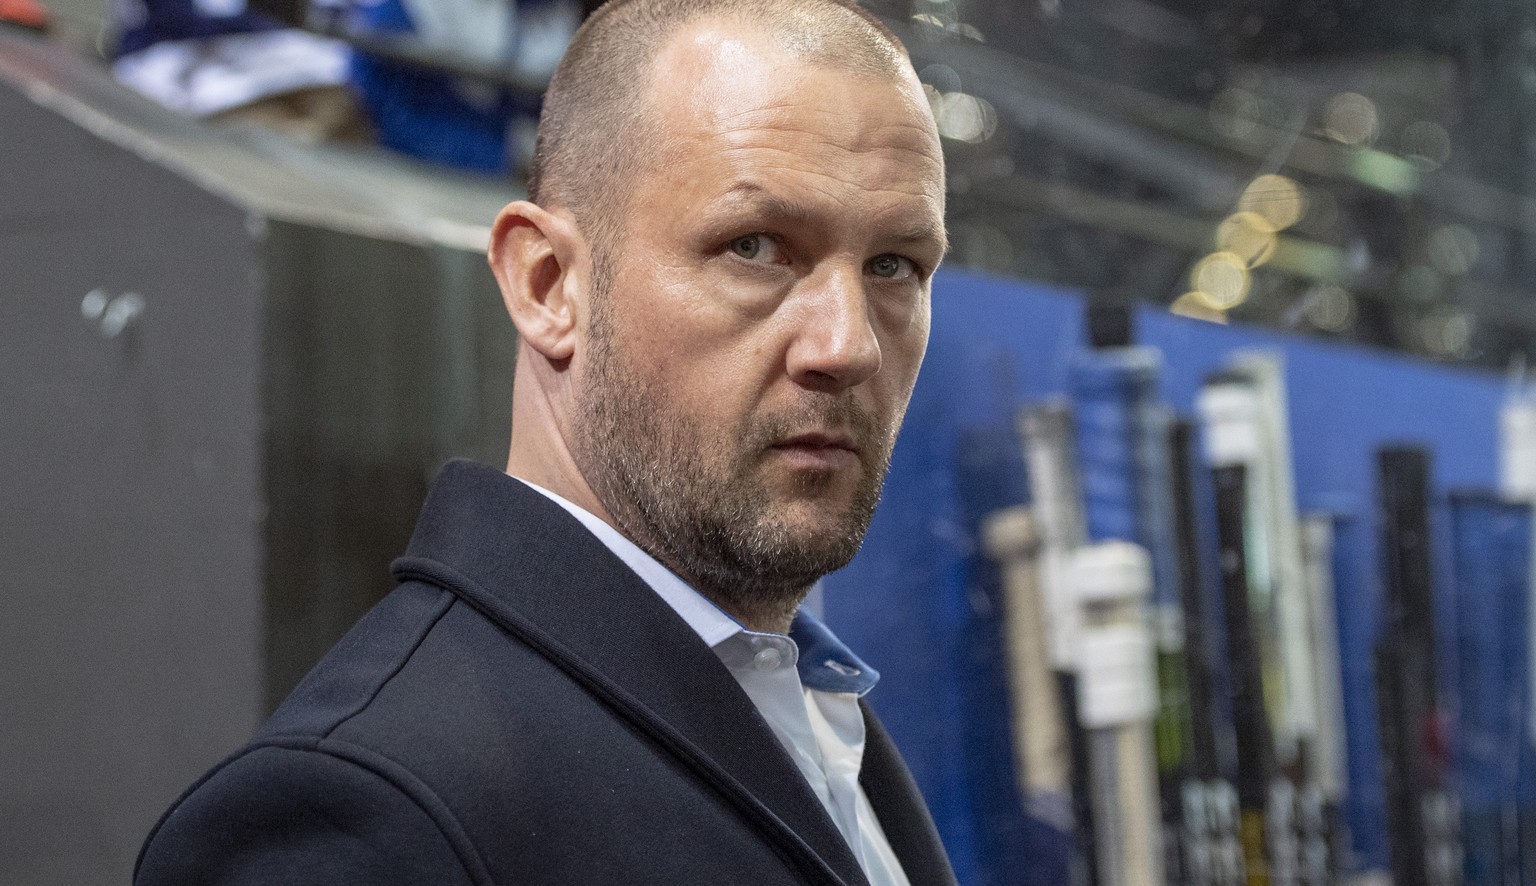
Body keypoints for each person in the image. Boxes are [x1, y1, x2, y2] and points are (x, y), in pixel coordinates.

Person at [134, 0, 952, 882]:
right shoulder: (363, 817)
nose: (847, 346)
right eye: (753, 247)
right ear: (548, 283)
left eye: (894, 266)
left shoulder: (818, 713)